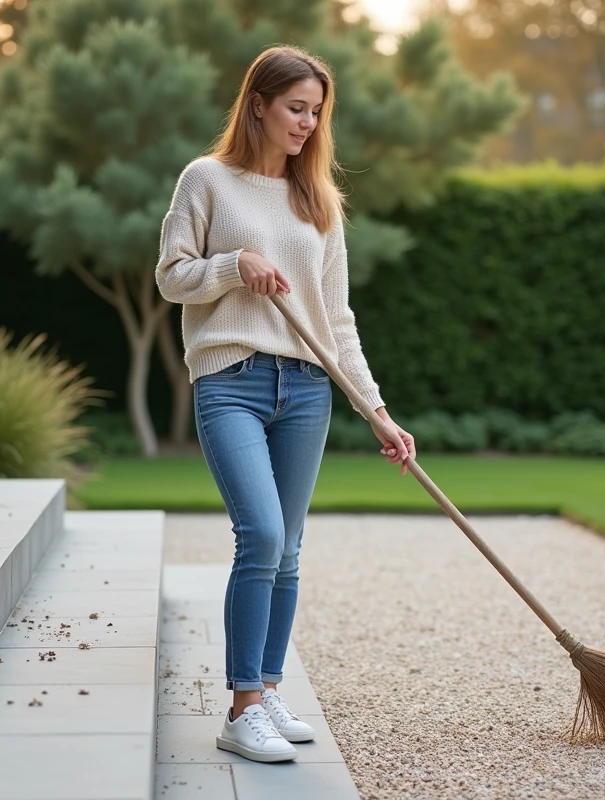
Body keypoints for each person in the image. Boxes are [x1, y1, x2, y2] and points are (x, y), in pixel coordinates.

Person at [155, 44, 416, 764]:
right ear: (259, 105)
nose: (307, 123)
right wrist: (234, 267)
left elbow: (338, 322)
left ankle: (266, 688)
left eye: (316, 112)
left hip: (305, 389)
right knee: (262, 535)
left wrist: (378, 413)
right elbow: (172, 277)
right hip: (231, 379)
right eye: (296, 108)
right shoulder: (206, 180)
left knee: (290, 550)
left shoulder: (318, 201)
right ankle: (241, 709)